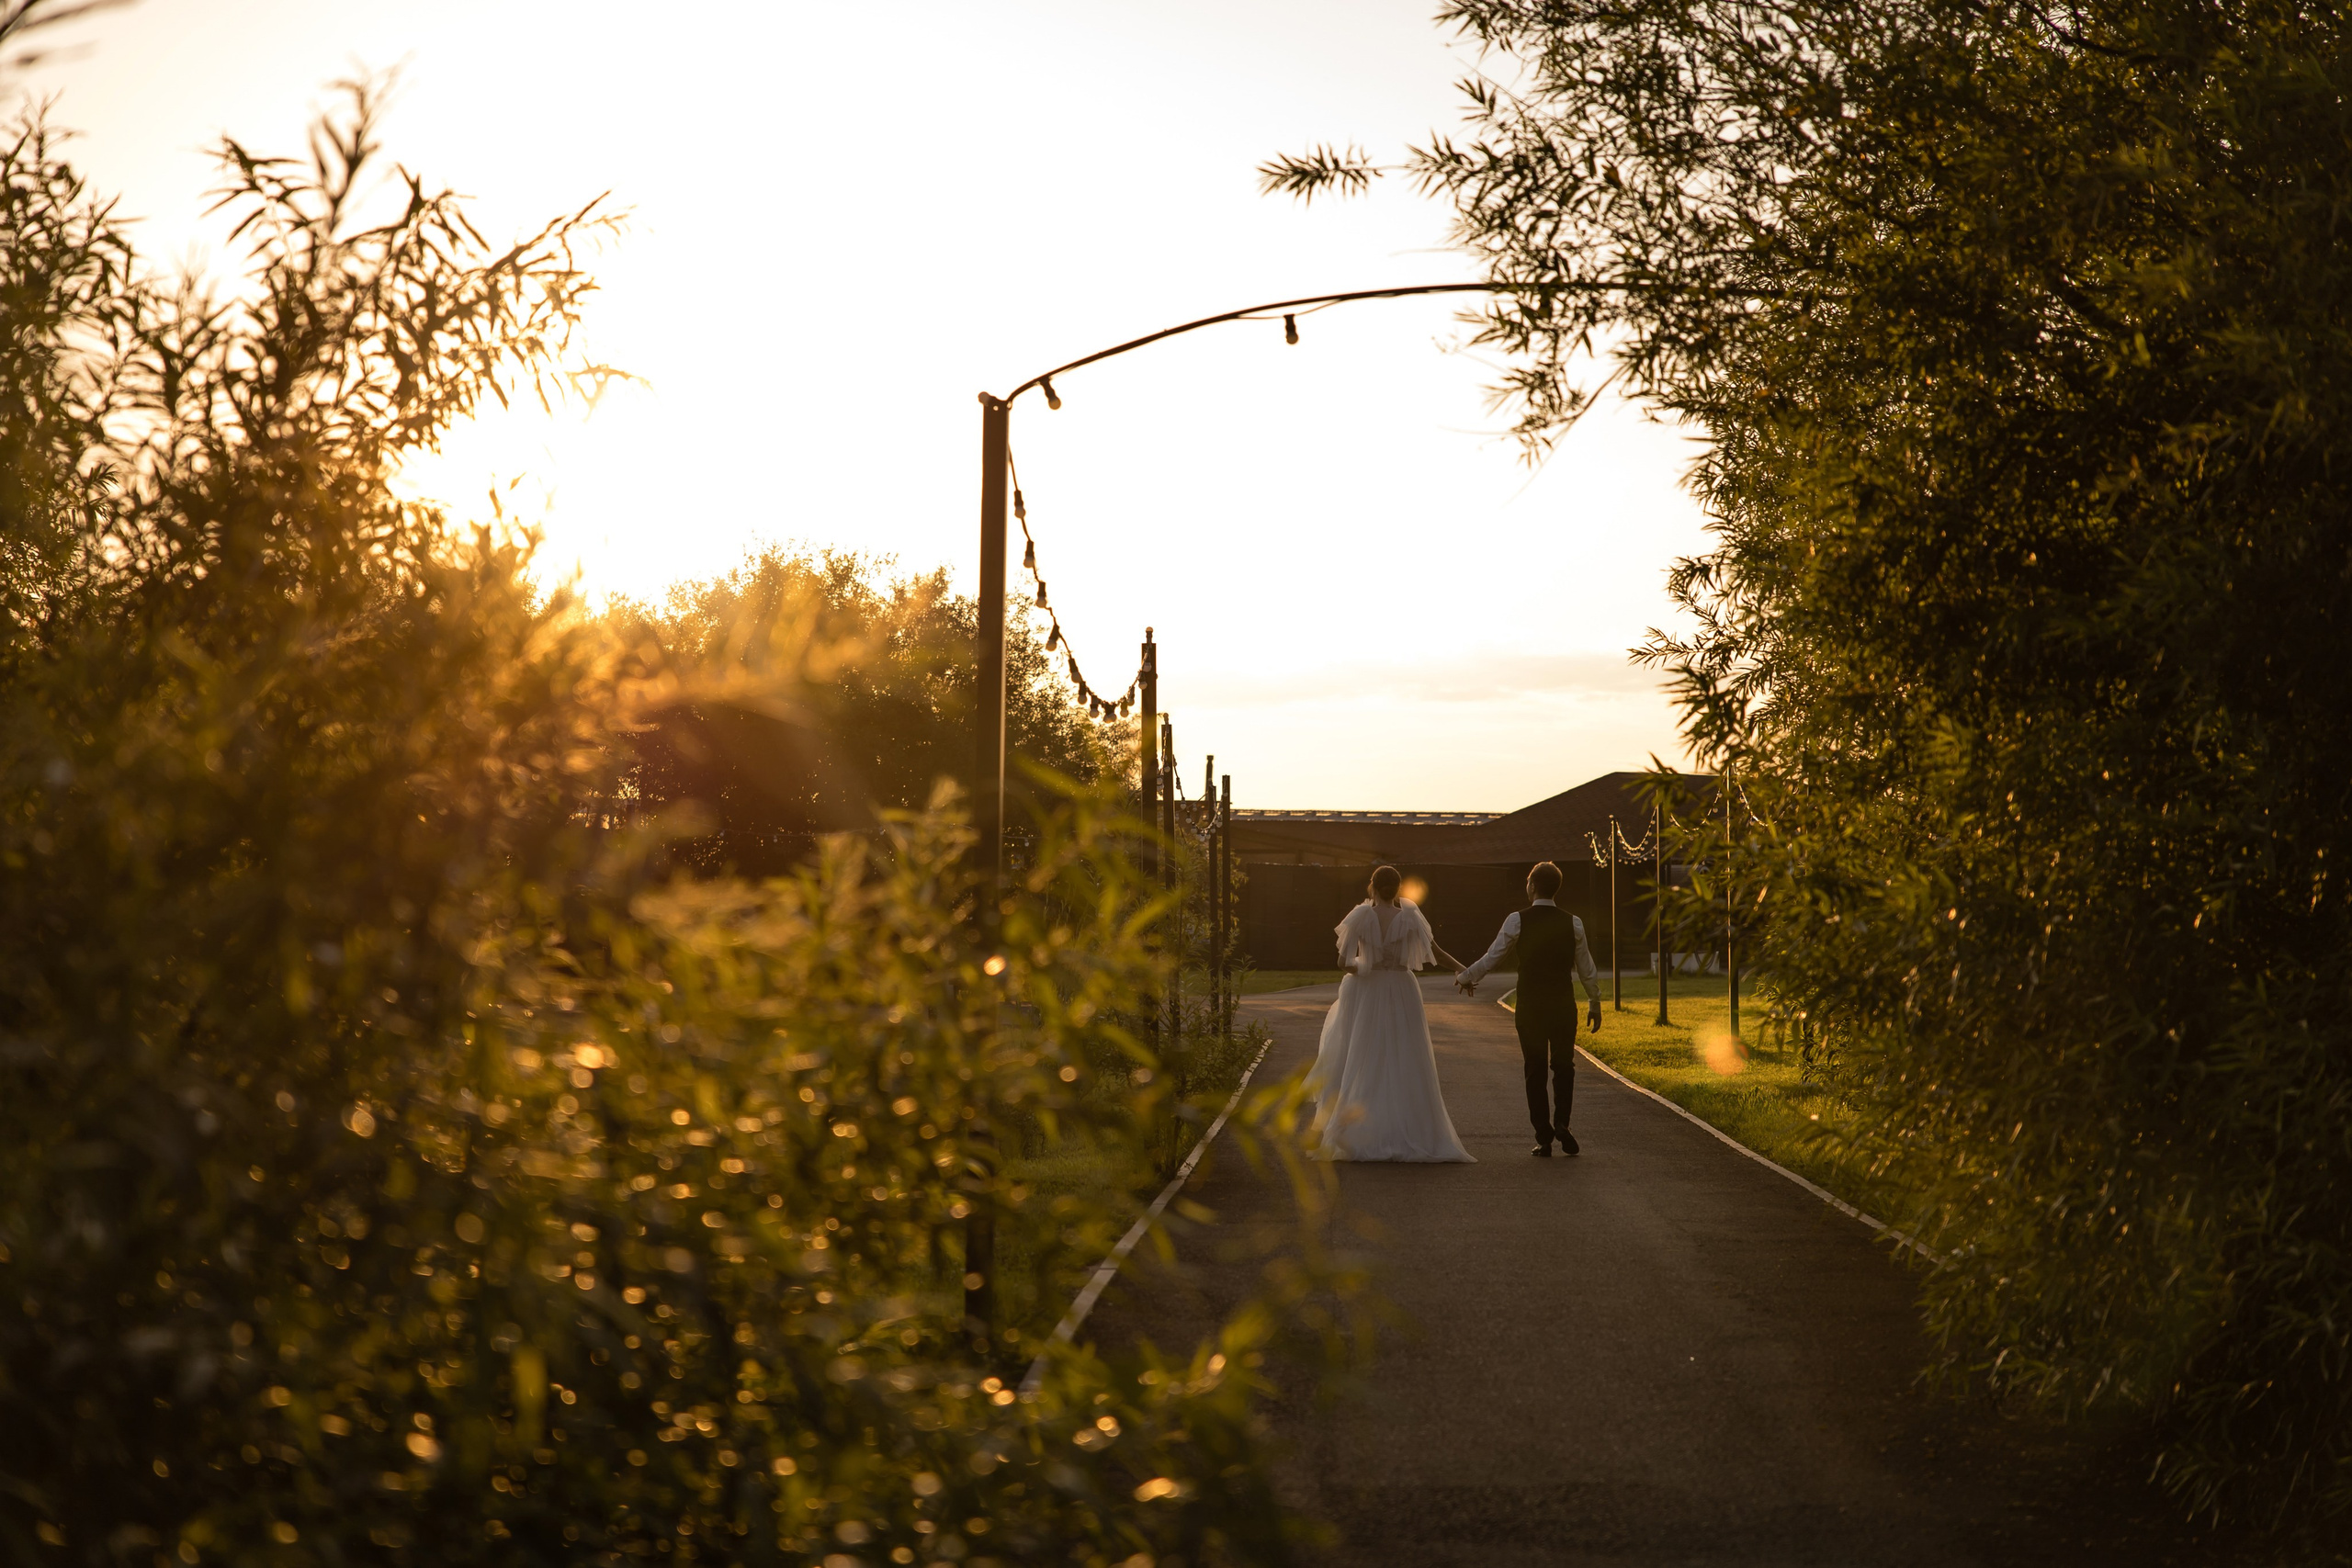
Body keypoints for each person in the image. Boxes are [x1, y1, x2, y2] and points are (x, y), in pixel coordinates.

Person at [1305, 865, 1476, 1162]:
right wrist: (1464, 969)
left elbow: (1343, 962)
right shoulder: (1410, 916)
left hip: (1368, 991)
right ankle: (1412, 1130)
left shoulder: (1360, 916)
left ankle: (1358, 1130)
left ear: (1372, 886)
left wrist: (1366, 967)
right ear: (1398, 889)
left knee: (1364, 1056)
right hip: (1402, 989)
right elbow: (1435, 951)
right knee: (1405, 1056)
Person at [1455, 861, 1602, 1156]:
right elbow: (1586, 967)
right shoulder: (1572, 922)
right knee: (1564, 1066)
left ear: (1532, 886)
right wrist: (1594, 1002)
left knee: (1534, 1069)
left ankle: (1544, 1136)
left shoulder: (1517, 920)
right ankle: (1563, 1124)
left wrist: (1467, 977)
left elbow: (1493, 956)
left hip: (1531, 1006)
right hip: (1562, 1004)